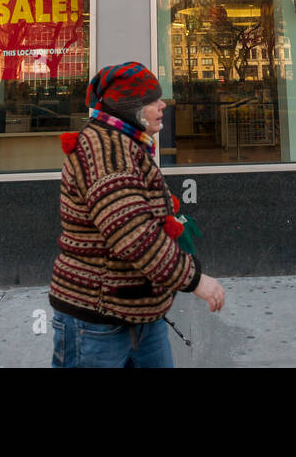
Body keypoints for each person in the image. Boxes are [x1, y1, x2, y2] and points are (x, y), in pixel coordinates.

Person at [49, 61, 225, 368]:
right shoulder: (108, 152)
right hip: (99, 321)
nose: (162, 105)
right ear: (130, 108)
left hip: (139, 316)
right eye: (152, 101)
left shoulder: (124, 143)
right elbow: (133, 234)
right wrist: (194, 280)